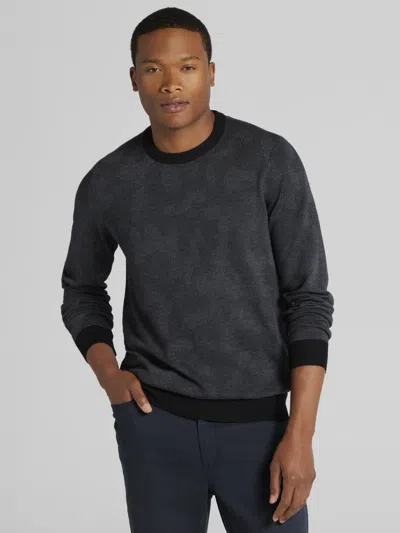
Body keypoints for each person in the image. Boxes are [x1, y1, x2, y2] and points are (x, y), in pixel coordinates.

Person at [60, 6, 334, 532]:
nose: (170, 83)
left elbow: (308, 299)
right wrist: (109, 375)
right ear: (134, 79)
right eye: (153, 68)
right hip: (154, 424)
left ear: (211, 72)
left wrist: (301, 434)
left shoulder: (269, 160)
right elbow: (81, 289)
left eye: (186, 67)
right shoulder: (109, 181)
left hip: (261, 429)